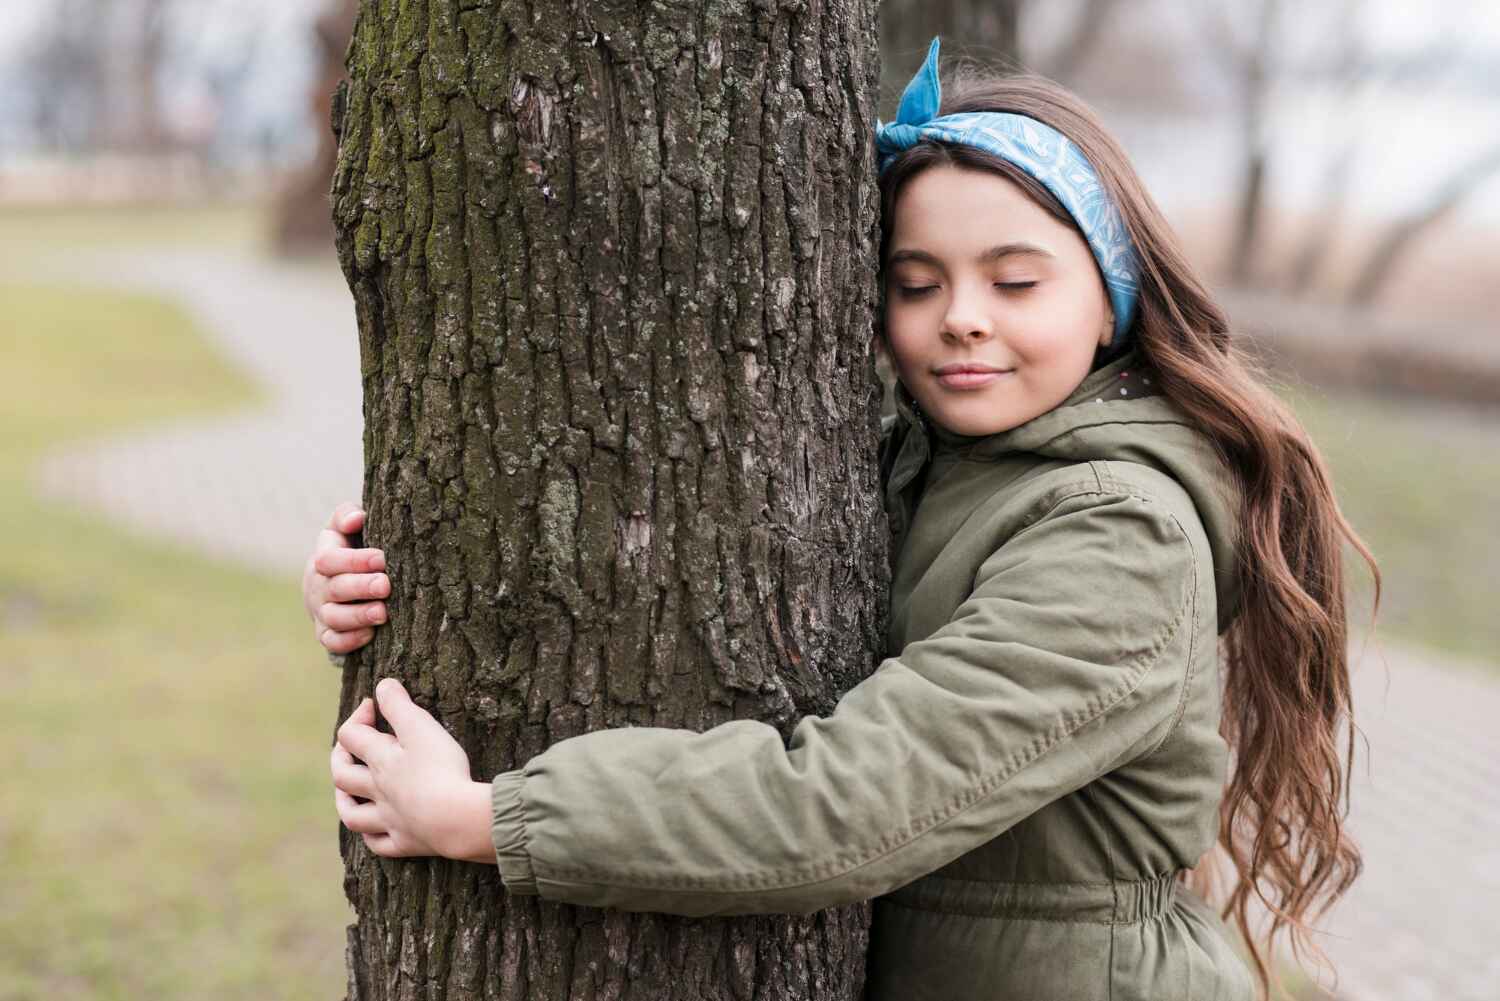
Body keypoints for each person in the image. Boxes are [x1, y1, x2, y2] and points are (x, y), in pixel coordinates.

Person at [302, 39, 1377, 1001]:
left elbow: (846, 802)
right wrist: (375, 579)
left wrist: (494, 816)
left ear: (1112, 302)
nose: (962, 315)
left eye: (1015, 281)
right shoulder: (926, 460)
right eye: (917, 283)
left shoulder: (1119, 536)